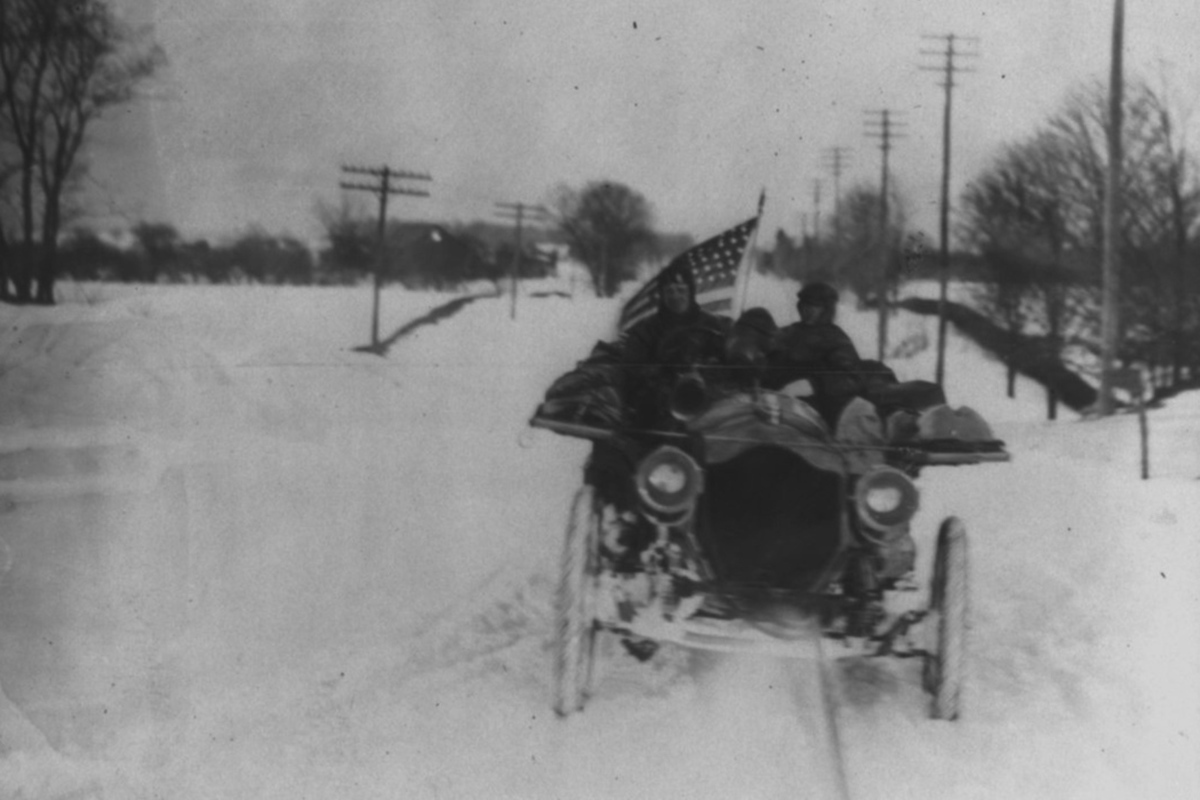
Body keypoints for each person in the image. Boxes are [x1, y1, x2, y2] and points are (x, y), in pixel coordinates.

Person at [617, 263, 730, 425]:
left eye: (681, 290)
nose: (676, 296)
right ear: (662, 296)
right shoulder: (646, 329)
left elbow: (728, 359)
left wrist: (711, 368)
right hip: (663, 404)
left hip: (709, 398)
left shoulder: (712, 324)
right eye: (669, 291)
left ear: (691, 292)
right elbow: (631, 368)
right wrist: (662, 368)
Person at [765, 281, 864, 424]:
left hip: (812, 412)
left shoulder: (836, 338)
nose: (808, 310)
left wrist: (813, 384)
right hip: (772, 403)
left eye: (815, 306)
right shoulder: (786, 332)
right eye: (805, 305)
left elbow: (852, 378)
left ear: (826, 309)